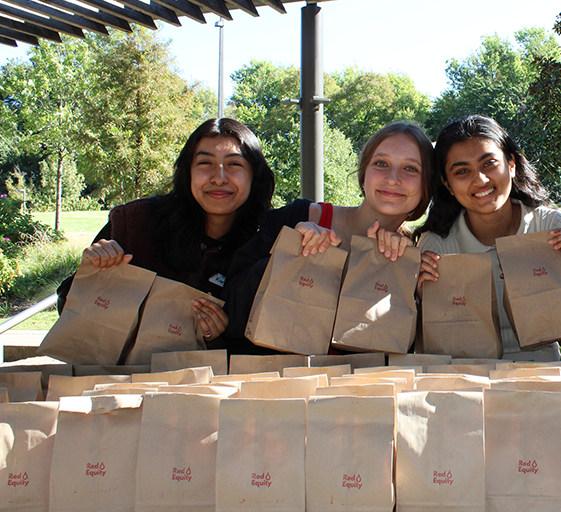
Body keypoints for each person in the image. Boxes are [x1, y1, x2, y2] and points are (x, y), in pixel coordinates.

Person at [57, 118, 275, 347]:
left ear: (255, 174)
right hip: (121, 378)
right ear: (187, 171)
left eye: (234, 164)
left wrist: (217, 337)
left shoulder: (267, 243)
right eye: (204, 163)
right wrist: (92, 273)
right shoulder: (134, 222)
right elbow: (67, 309)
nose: (219, 177)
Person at [223, 121, 435, 354]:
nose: (393, 178)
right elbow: (229, 312)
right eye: (381, 163)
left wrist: (418, 294)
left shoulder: (412, 259)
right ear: (364, 175)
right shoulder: (299, 218)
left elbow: (405, 352)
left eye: (411, 168)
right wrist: (289, 254)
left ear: (428, 186)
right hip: (272, 384)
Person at [416, 115, 561, 361]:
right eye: (462, 171)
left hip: (542, 384)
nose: (481, 180)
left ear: (512, 164)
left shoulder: (551, 229)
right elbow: (429, 355)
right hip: (467, 383)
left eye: (489, 163)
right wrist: (426, 301)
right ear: (447, 184)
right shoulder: (436, 247)